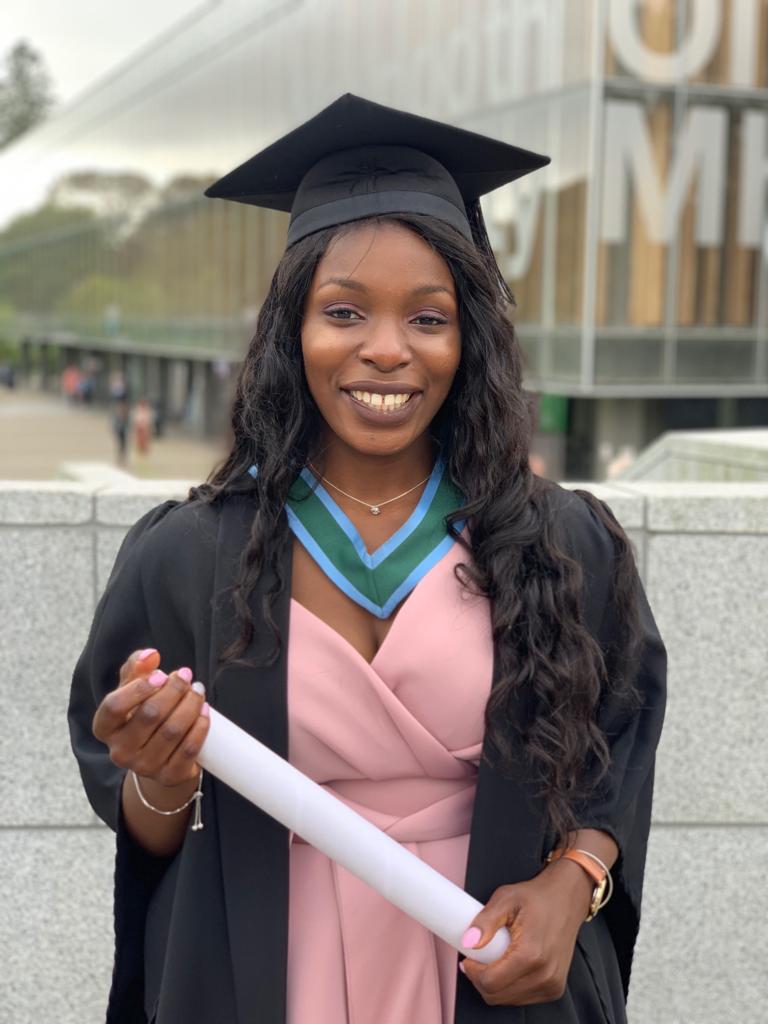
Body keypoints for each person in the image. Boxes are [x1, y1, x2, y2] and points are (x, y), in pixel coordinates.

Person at [68, 94, 666, 1024]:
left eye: (427, 319)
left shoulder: (556, 544)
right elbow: (146, 828)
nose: (386, 350)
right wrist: (161, 775)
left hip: (486, 974)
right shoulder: (188, 557)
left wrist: (574, 883)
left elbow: (615, 747)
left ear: (469, 338)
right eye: (344, 310)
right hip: (262, 978)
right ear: (289, 333)